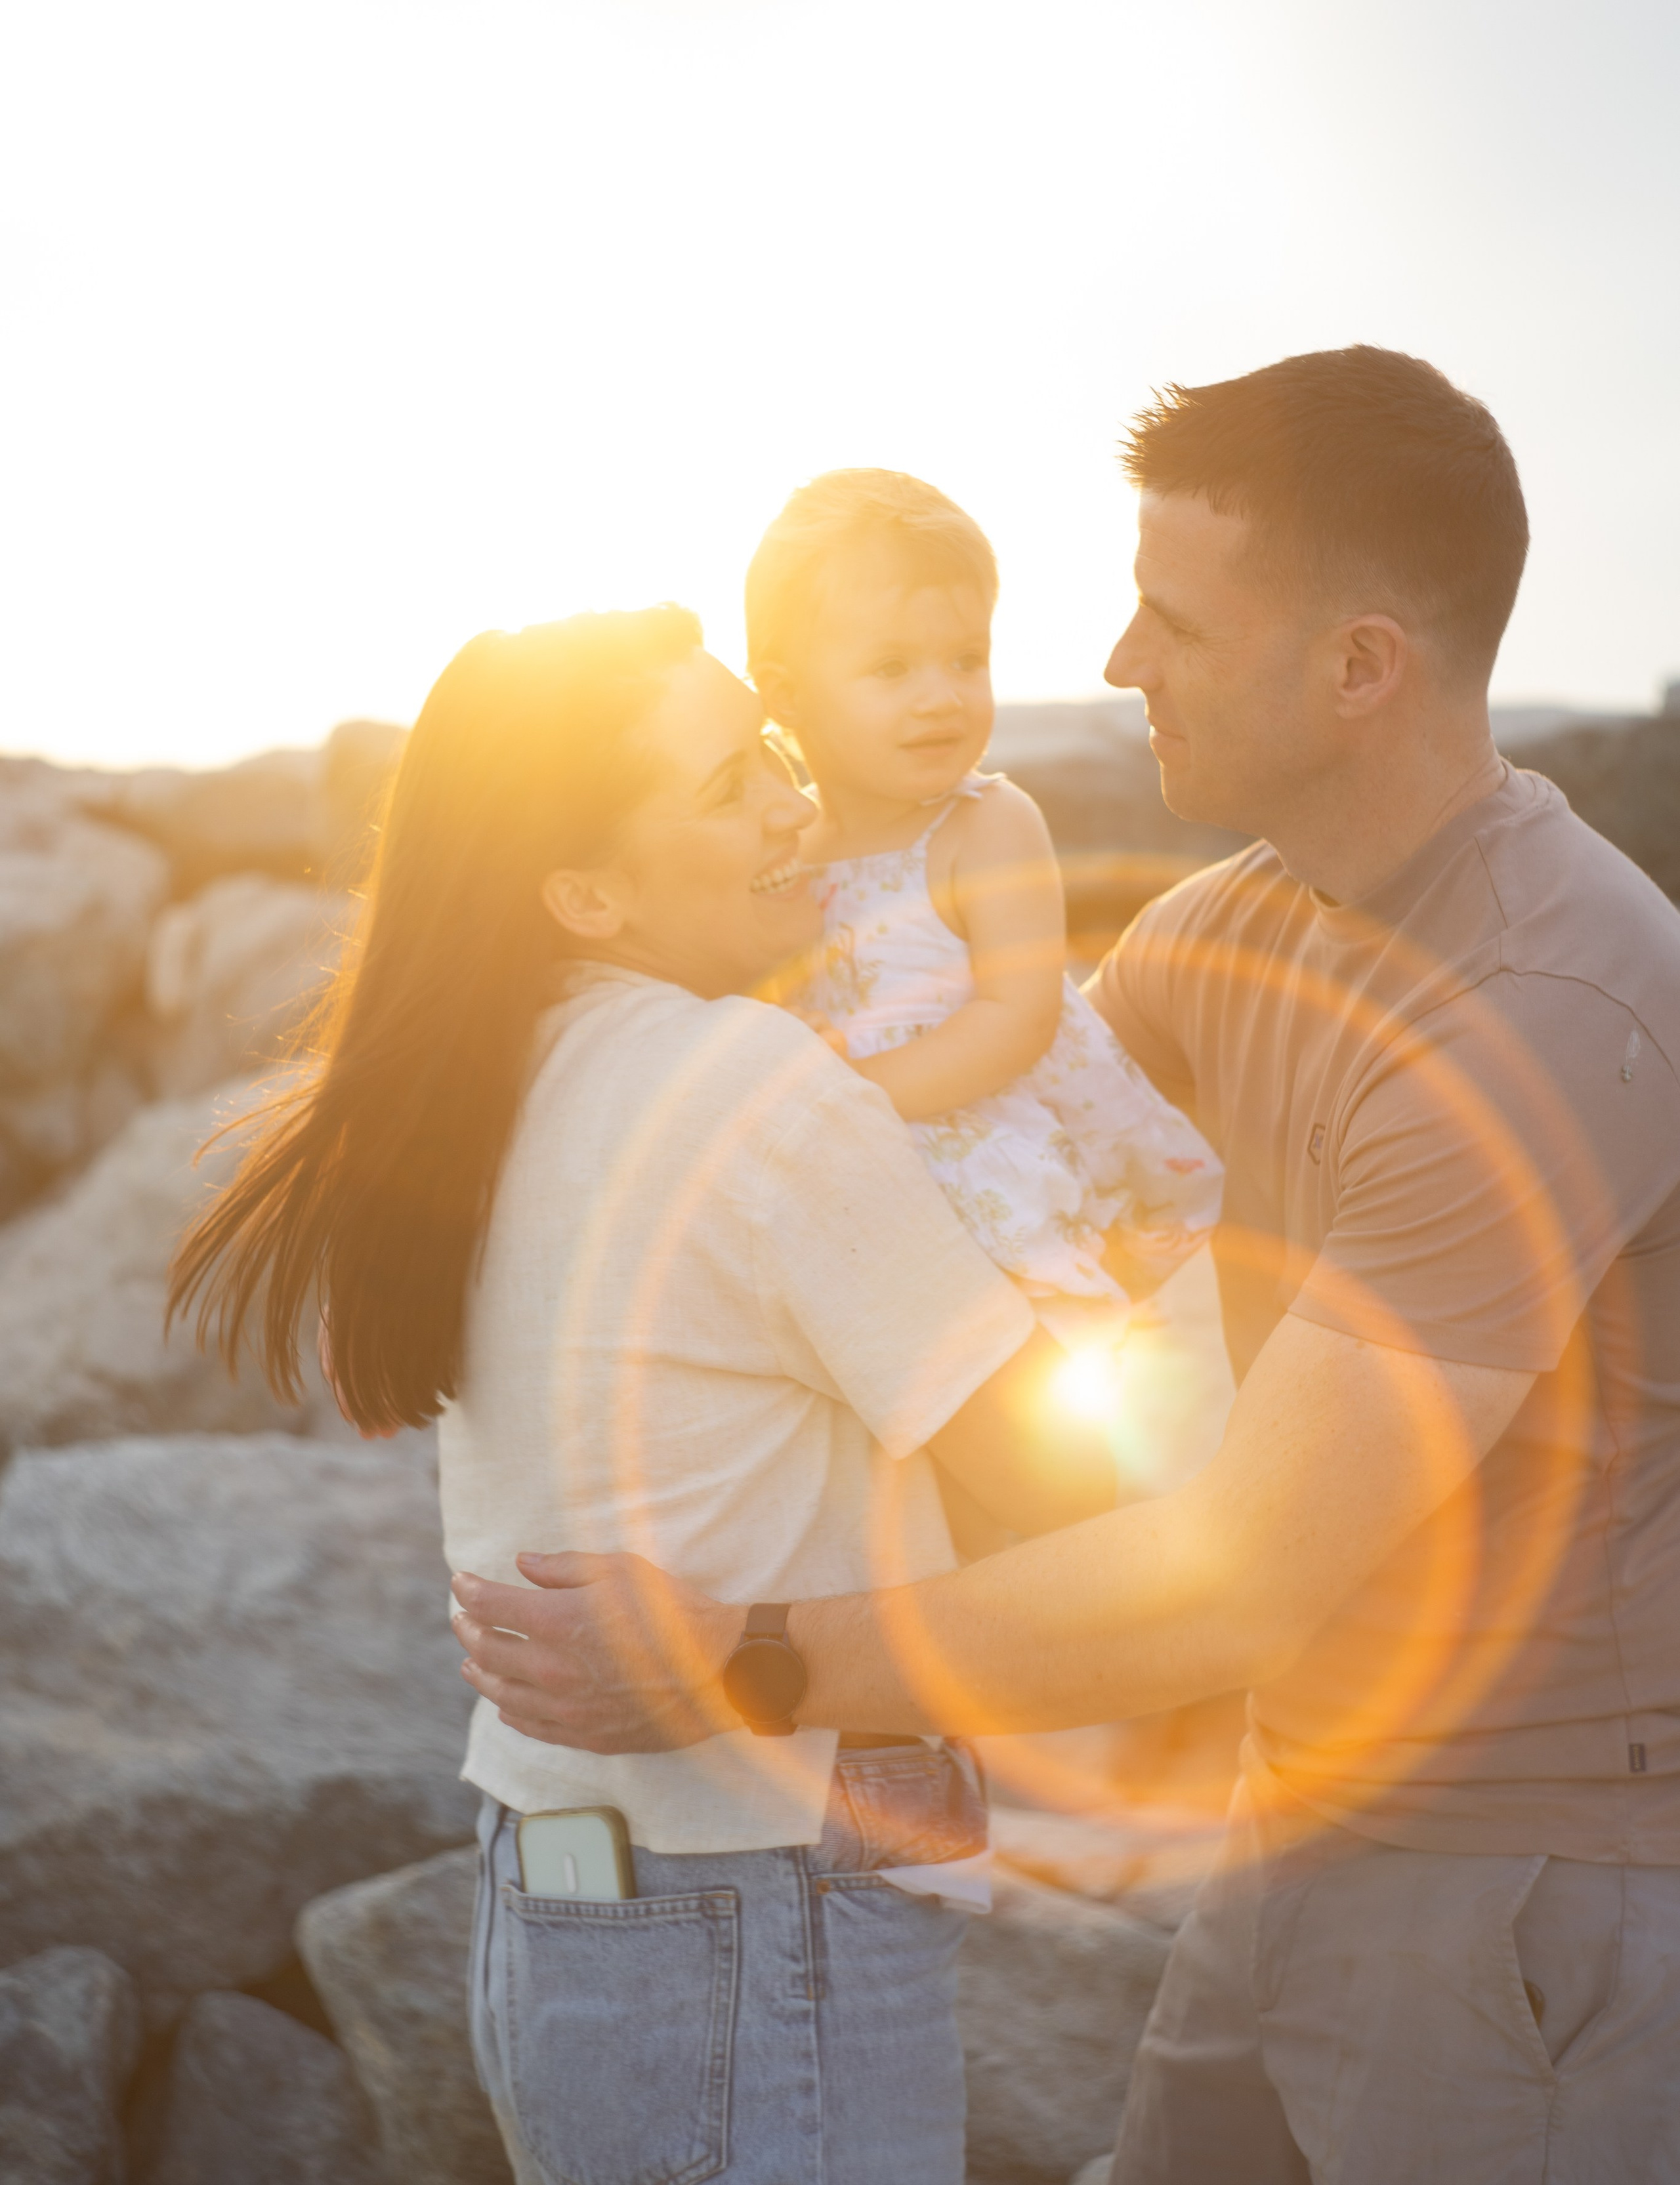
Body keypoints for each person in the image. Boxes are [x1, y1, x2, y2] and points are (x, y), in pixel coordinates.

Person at [451, 346, 1680, 2185]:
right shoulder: (1243, 927)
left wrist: (737, 1665)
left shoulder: (1548, 1005)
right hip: (1307, 1820)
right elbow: (966, 1161)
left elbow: (1237, 1583)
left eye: (1171, 619)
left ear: (1358, 668)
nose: (1113, 665)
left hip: (1522, 1881)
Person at [170, 604, 1113, 2185]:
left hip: (558, 1904)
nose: (791, 808)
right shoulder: (742, 1084)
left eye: (780, 757)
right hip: (763, 1904)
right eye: (731, 780)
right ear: (585, 888)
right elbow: (1065, 1483)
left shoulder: (472, 1099)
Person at [748, 468, 1220, 1351]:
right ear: (784, 694)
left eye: (967, 659)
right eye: (891, 668)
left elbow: (1018, 1016)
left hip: (978, 1141)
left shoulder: (984, 823)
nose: (942, 695)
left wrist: (857, 1099)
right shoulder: (784, 849)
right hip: (851, 1166)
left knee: (1030, 1357)